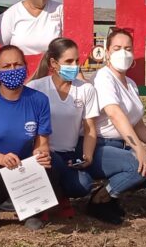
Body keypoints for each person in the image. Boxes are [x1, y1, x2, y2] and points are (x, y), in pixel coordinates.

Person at [0, 45, 57, 233]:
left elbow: (42, 143)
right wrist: (0, 159)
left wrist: (42, 155)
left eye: (18, 64)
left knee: (52, 168)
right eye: (6, 66)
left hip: (22, 166)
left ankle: (31, 211)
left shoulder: (39, 100)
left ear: (26, 67)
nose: (13, 70)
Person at [27, 38, 105, 217]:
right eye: (69, 61)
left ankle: (57, 195)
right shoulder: (35, 88)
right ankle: (45, 203)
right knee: (51, 165)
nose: (75, 66)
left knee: (83, 185)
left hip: (69, 156)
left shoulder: (86, 89)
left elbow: (90, 129)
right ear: (54, 63)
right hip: (41, 155)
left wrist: (88, 156)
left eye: (77, 61)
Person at [91, 28, 146, 224]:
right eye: (117, 48)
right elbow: (115, 114)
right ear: (107, 52)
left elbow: (137, 124)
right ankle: (98, 200)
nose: (123, 53)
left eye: (128, 48)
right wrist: (139, 149)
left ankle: (111, 196)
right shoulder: (104, 77)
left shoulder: (130, 83)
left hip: (122, 146)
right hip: (101, 146)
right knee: (139, 165)